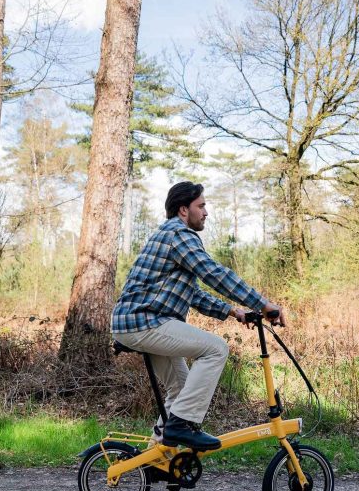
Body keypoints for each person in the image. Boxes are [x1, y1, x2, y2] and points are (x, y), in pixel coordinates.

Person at [111, 181, 284, 451]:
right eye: (201, 206)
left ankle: (158, 456)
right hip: (144, 321)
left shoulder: (171, 236)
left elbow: (193, 293)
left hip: (141, 322)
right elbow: (213, 273)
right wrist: (263, 304)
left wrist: (232, 310)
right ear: (183, 210)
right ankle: (182, 426)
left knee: (180, 388)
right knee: (216, 348)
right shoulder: (179, 235)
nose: (206, 212)